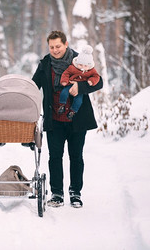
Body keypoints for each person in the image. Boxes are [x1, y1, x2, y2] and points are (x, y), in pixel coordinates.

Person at [32, 31, 103, 208]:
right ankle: (57, 193)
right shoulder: (45, 64)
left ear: (66, 44)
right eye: (51, 47)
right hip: (54, 118)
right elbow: (34, 86)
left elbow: (99, 82)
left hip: (77, 119)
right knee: (55, 157)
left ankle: (75, 193)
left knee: (76, 157)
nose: (55, 50)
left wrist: (81, 86)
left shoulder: (80, 60)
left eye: (58, 46)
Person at [58, 45, 101, 120]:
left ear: (89, 65)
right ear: (77, 62)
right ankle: (62, 105)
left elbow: (96, 77)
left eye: (85, 66)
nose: (82, 67)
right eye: (80, 65)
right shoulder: (72, 67)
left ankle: (73, 111)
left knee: (79, 100)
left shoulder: (91, 70)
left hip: (81, 89)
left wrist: (91, 81)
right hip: (70, 84)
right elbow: (66, 73)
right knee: (64, 93)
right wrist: (64, 81)